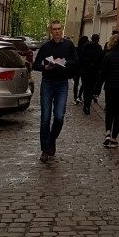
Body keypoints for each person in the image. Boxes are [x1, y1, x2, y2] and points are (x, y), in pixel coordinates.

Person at [32, 21, 78, 162]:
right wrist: (45, 67)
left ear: (62, 30)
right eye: (54, 29)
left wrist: (63, 62)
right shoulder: (46, 46)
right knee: (45, 117)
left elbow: (76, 62)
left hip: (62, 83)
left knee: (59, 116)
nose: (57, 31)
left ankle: (51, 139)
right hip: (48, 82)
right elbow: (35, 65)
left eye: (59, 29)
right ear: (50, 31)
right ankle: (45, 149)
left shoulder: (68, 45)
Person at [78, 33, 103, 113]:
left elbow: (80, 58)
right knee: (91, 89)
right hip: (94, 72)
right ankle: (88, 106)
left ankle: (85, 105)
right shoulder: (99, 48)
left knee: (86, 88)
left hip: (85, 71)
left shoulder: (85, 46)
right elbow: (101, 61)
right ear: (98, 39)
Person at [72, 35, 88, 104]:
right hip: (83, 68)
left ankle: (75, 97)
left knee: (76, 84)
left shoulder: (76, 48)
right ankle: (79, 95)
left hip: (76, 68)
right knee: (84, 83)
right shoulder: (86, 49)